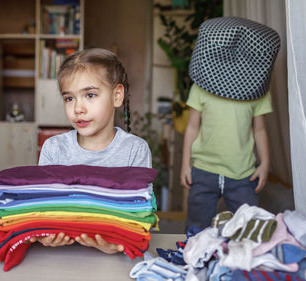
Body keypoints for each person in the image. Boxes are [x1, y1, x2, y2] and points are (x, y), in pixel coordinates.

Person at [30, 48, 152, 254]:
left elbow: (141, 216)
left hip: (116, 263)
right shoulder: (53, 148)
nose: (78, 108)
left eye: (90, 95)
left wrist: (119, 245)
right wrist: (44, 235)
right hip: (62, 257)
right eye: (69, 98)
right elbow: (44, 208)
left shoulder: (135, 150)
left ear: (116, 95)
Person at [180, 17, 281, 230]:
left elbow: (260, 129)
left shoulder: (257, 90)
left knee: (250, 228)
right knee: (196, 230)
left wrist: (265, 164)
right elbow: (192, 127)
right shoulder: (201, 87)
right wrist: (185, 164)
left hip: (243, 173)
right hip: (203, 170)